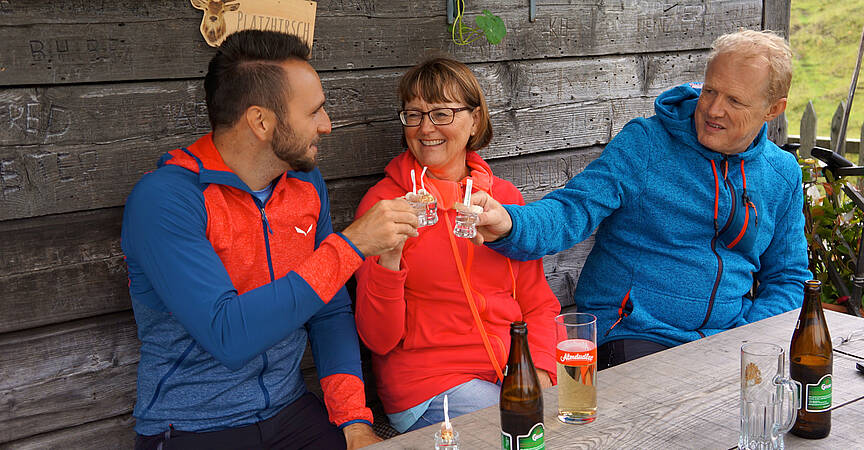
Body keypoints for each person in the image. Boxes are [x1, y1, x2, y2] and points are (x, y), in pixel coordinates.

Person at [121, 30, 419, 449]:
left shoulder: (304, 182)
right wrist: (350, 247)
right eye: (314, 112)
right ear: (261, 121)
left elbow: (329, 309)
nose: (327, 125)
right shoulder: (167, 200)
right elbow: (228, 335)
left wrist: (352, 419)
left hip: (290, 409)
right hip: (192, 426)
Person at [471, 30, 812, 368]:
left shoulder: (781, 173)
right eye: (710, 91)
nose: (714, 109)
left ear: (773, 110)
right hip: (631, 333)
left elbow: (788, 277)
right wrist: (509, 224)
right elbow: (571, 209)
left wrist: (749, 335)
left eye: (734, 101)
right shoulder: (647, 144)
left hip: (724, 339)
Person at [353, 58, 561, 433]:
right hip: (431, 384)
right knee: (522, 431)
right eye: (414, 115)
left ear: (475, 121)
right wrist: (389, 259)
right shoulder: (385, 204)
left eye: (442, 113)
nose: (425, 128)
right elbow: (378, 340)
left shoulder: (503, 199)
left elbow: (538, 302)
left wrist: (542, 369)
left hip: (510, 373)